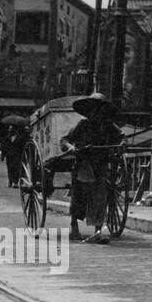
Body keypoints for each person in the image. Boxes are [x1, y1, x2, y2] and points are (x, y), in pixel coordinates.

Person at [58, 92, 124, 244]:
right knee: (79, 197)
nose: (97, 112)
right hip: (83, 164)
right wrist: (70, 147)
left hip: (101, 164)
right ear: (90, 110)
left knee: (100, 197)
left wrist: (122, 144)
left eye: (101, 109)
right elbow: (65, 139)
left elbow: (121, 137)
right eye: (94, 109)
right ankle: (74, 227)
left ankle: (98, 231)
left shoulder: (109, 126)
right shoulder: (83, 125)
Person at [2, 124, 27, 189]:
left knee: (17, 168)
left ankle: (15, 182)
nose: (9, 130)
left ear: (14, 130)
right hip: (9, 155)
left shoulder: (20, 138)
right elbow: (4, 146)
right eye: (9, 129)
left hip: (17, 155)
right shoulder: (7, 137)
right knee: (10, 168)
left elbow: (22, 147)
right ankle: (10, 180)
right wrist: (3, 154)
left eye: (11, 129)